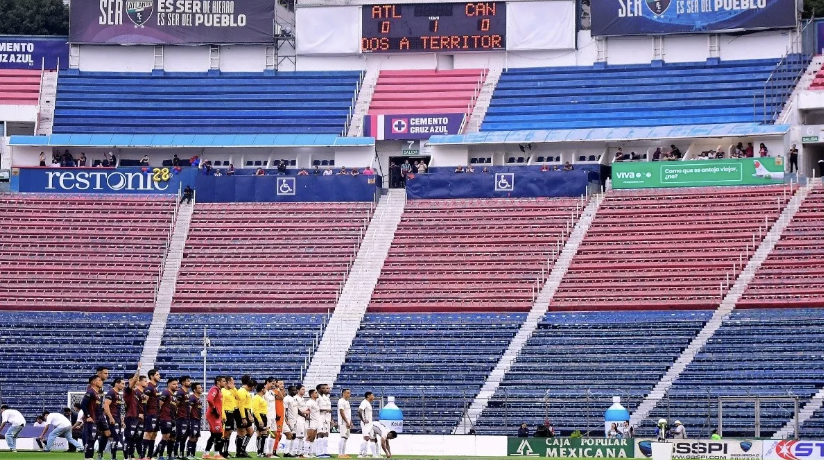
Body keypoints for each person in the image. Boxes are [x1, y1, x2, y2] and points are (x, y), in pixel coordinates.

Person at [122, 364, 144, 460]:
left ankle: (131, 456)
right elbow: (134, 380)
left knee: (134, 438)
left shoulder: (136, 393)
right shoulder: (128, 390)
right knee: (128, 437)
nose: (137, 381)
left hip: (135, 417)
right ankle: (126, 457)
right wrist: (138, 369)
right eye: (135, 380)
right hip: (130, 417)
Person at [80, 375, 103, 460]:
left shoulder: (97, 393)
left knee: (93, 439)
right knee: (89, 439)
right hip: (90, 420)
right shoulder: (90, 391)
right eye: (99, 380)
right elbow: (83, 404)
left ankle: (90, 457)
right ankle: (87, 457)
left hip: (96, 419)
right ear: (94, 382)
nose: (102, 382)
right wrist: (88, 416)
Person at [103, 377, 126, 460]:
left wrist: (121, 420)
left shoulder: (118, 395)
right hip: (113, 419)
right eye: (122, 384)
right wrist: (111, 417)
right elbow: (105, 405)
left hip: (118, 419)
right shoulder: (111, 393)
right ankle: (113, 457)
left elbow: (118, 409)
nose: (124, 386)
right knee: (115, 438)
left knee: (118, 438)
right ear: (117, 383)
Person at [142, 369, 162, 460]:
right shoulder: (149, 387)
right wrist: (144, 413)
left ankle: (150, 456)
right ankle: (143, 456)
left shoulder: (155, 387)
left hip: (156, 414)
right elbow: (144, 401)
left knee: (154, 435)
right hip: (150, 414)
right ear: (152, 376)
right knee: (148, 434)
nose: (159, 376)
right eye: (157, 375)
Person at [204, 376, 225, 460]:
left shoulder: (219, 390)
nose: (225, 383)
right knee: (218, 434)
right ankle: (216, 454)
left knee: (214, 435)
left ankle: (207, 453)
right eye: (223, 381)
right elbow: (209, 399)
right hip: (213, 415)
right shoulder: (215, 389)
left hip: (216, 415)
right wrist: (214, 409)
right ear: (218, 382)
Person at [220, 377, 239, 459]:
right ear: (228, 382)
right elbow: (222, 404)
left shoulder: (232, 390)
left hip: (232, 413)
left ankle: (226, 452)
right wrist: (223, 415)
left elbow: (238, 397)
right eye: (232, 381)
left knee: (229, 433)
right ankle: (221, 452)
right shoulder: (223, 391)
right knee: (225, 433)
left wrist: (234, 388)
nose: (233, 382)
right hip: (226, 413)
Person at [174, 376, 192, 459]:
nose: (190, 382)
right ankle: (175, 454)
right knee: (179, 436)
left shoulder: (187, 392)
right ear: (183, 383)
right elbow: (175, 404)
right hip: (181, 418)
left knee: (185, 436)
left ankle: (181, 453)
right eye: (188, 381)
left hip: (187, 417)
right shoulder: (180, 393)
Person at [186, 382, 203, 459]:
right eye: (199, 388)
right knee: (192, 437)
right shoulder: (192, 398)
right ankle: (189, 454)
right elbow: (188, 408)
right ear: (194, 390)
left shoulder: (198, 399)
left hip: (197, 420)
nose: (201, 389)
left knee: (196, 438)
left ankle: (193, 454)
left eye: (201, 387)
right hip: (192, 420)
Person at [282, 385, 299, 458]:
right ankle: (286, 452)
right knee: (290, 435)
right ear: (289, 391)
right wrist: (286, 420)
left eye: (295, 390)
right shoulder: (286, 399)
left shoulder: (295, 398)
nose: (295, 391)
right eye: (293, 390)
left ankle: (291, 452)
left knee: (294, 436)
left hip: (295, 420)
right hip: (290, 420)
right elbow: (284, 411)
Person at [252, 384, 269, 456]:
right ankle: (260, 452)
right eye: (265, 388)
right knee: (262, 433)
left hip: (264, 416)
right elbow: (255, 410)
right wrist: (259, 420)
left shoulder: (262, 398)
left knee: (262, 434)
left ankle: (260, 451)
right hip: (260, 416)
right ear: (262, 389)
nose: (266, 390)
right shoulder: (256, 398)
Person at [316, 384, 332, 458]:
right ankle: (319, 452)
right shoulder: (317, 398)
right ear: (319, 389)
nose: (326, 389)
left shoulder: (327, 398)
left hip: (327, 418)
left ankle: (325, 451)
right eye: (323, 388)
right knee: (320, 433)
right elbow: (315, 409)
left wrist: (331, 419)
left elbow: (329, 409)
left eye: (326, 388)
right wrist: (325, 410)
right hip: (320, 417)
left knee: (326, 434)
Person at [358, 392, 375, 458]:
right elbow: (359, 410)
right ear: (368, 396)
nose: (373, 396)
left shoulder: (368, 403)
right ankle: (360, 453)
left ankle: (364, 453)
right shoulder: (364, 402)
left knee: (367, 438)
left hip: (369, 423)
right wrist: (363, 419)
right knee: (366, 438)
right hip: (366, 423)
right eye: (372, 395)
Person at [304, 389, 320, 457]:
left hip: (316, 422)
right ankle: (305, 453)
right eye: (315, 393)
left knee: (313, 438)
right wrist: (307, 419)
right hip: (311, 421)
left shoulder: (315, 402)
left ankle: (311, 453)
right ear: (311, 395)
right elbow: (306, 411)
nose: (317, 394)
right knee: (309, 437)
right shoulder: (309, 402)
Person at [337, 389, 352, 458]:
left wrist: (350, 422)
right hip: (343, 422)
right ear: (343, 393)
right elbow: (341, 412)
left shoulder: (347, 402)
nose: (349, 394)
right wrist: (346, 421)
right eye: (348, 393)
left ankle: (343, 453)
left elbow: (348, 413)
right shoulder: (341, 401)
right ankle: (340, 454)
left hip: (347, 422)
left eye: (349, 393)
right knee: (343, 437)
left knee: (345, 438)